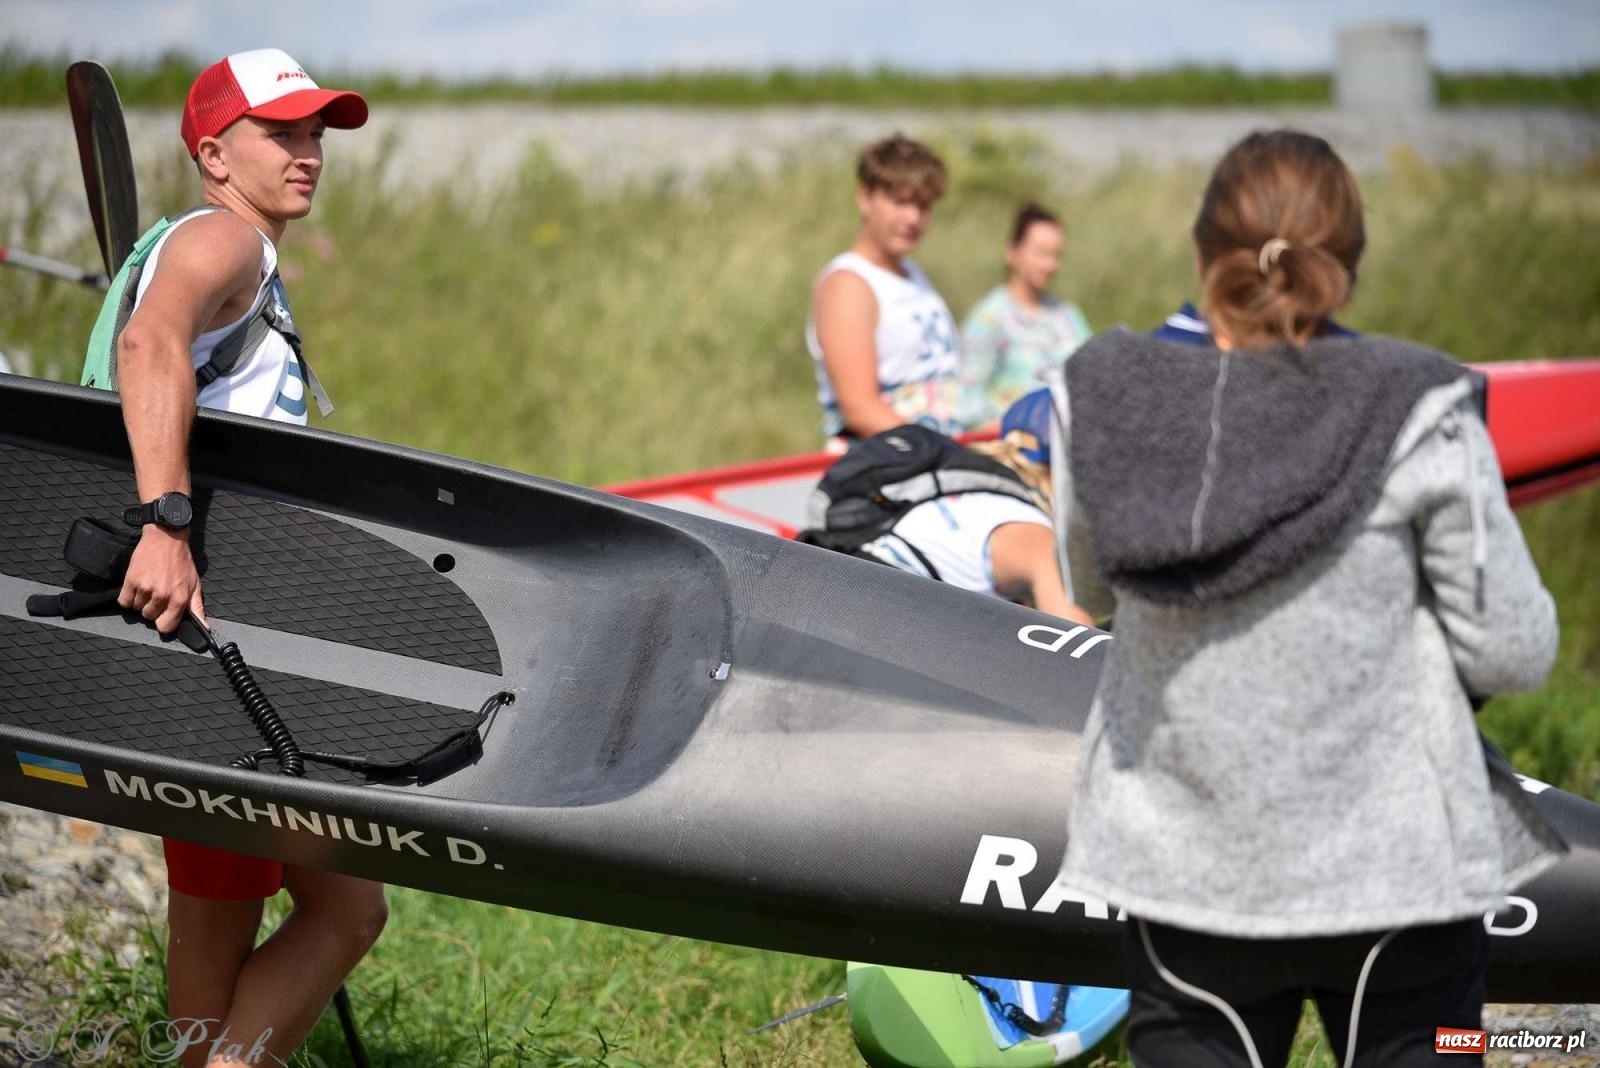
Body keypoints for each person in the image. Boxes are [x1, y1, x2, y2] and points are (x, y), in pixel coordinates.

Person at [1051, 130, 1563, 1067]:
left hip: (1185, 871)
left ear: (1204, 258)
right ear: (1348, 269)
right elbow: (1513, 652)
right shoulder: (1421, 404)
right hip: (1403, 877)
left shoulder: (1104, 398)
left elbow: (1093, 585)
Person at [97, 49, 386, 1068]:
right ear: (215, 152)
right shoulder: (226, 239)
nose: (310, 153)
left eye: (317, 133)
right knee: (330, 915)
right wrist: (167, 526)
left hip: (211, 650)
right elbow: (147, 345)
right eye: (284, 133)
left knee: (332, 910)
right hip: (203, 651)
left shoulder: (221, 248)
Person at [805, 134, 964, 443]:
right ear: (865, 199)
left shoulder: (913, 274)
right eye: (900, 202)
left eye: (923, 206)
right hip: (886, 468)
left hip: (940, 460)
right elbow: (860, 409)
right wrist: (945, 455)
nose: (913, 218)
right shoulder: (848, 284)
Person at [959, 203, 1093, 425]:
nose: (1049, 264)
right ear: (1013, 253)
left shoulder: (1067, 314)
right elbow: (968, 392)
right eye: (1041, 253)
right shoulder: (990, 316)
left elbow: (1091, 373)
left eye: (1056, 255)